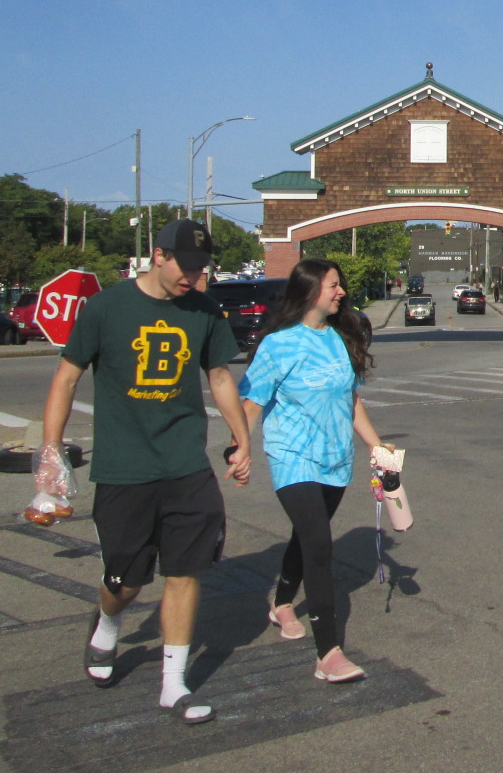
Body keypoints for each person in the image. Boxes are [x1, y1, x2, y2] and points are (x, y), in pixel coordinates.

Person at [41, 219, 251, 724]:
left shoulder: (203, 309)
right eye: (187, 266)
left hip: (184, 462)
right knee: (127, 581)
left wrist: (242, 437)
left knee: (184, 571)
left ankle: (173, 685)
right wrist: (50, 453)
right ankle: (108, 626)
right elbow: (66, 379)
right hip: (124, 467)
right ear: (158, 256)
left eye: (203, 268)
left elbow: (219, 375)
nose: (195, 277)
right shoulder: (106, 308)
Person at [239, 257, 385, 683]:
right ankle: (329, 653)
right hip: (292, 456)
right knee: (319, 544)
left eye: (339, 286)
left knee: (307, 537)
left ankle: (283, 601)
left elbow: (351, 400)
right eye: (333, 285)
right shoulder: (278, 344)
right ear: (309, 291)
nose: (340, 292)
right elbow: (251, 403)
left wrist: (377, 447)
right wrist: (240, 448)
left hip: (335, 459)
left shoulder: (339, 339)